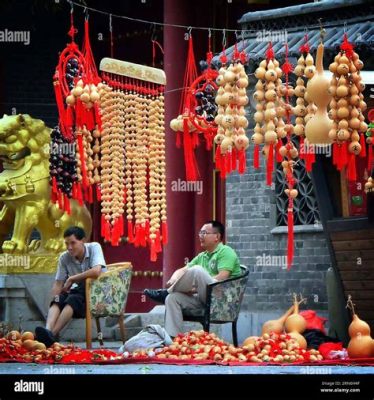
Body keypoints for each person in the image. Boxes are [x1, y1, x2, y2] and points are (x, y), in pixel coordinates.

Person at [144, 220, 241, 338]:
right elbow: (182, 270)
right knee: (172, 298)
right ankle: (173, 340)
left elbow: (222, 277)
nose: (201, 236)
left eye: (204, 233)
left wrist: (195, 287)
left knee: (197, 270)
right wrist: (173, 280)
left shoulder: (226, 251)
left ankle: (165, 293)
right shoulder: (202, 256)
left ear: (217, 236)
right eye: (200, 233)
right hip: (203, 299)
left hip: (221, 300)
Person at [35, 226, 106, 347]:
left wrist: (72, 278)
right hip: (78, 296)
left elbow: (96, 272)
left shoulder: (94, 247)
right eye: (67, 244)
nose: (69, 248)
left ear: (83, 240)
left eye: (73, 243)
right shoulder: (64, 257)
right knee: (60, 298)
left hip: (96, 295)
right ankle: (48, 331)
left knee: (74, 296)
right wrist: (54, 299)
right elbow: (58, 283)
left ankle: (52, 334)